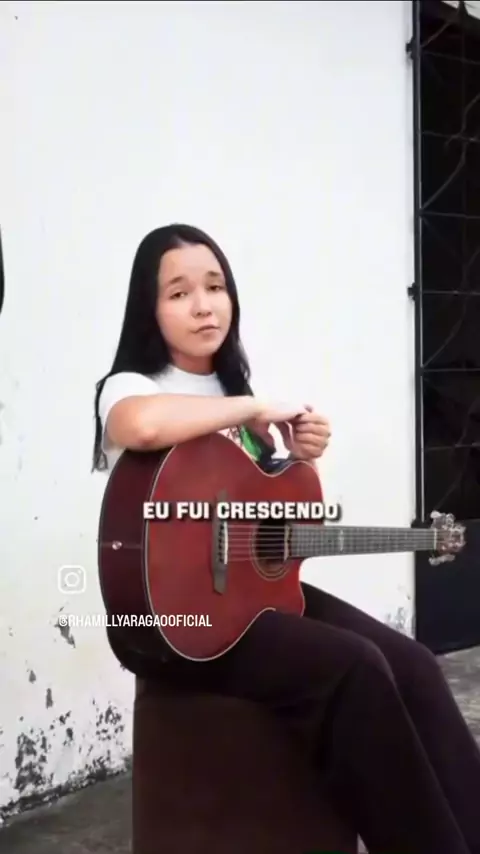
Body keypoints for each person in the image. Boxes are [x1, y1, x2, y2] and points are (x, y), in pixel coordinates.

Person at [92, 223, 480, 854]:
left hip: (250, 605)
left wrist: (299, 459)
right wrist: (252, 410)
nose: (203, 306)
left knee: (411, 665)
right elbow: (142, 427)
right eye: (180, 293)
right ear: (149, 309)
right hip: (172, 623)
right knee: (355, 669)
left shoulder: (233, 391)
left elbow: (264, 521)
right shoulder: (134, 386)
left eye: (215, 287)